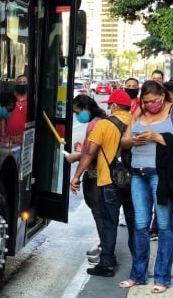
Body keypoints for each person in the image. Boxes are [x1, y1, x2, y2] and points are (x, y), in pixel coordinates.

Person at [118, 80, 173, 294]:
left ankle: (162, 277)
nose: (150, 104)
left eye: (154, 101)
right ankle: (137, 274)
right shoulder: (139, 113)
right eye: (146, 101)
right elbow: (122, 141)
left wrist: (157, 137)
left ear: (163, 96)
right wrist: (132, 141)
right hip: (138, 174)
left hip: (162, 175)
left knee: (164, 226)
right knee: (140, 225)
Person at [71, 89, 135, 278]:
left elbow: (90, 153)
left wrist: (76, 177)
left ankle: (106, 263)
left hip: (109, 180)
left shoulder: (104, 125)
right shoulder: (136, 122)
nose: (108, 107)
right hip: (134, 181)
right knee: (134, 223)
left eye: (110, 104)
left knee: (109, 223)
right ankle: (139, 264)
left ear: (114, 106)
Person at [65, 94, 107, 262]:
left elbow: (91, 153)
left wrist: (76, 166)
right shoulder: (100, 120)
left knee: (99, 214)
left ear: (86, 109)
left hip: (96, 174)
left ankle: (106, 252)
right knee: (100, 213)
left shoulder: (95, 124)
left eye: (77, 112)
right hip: (99, 173)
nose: (77, 116)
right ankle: (105, 247)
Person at [6, 74, 28, 142]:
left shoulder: (33, 102)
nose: (22, 84)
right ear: (16, 85)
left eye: (24, 82)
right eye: (20, 82)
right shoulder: (8, 99)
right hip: (8, 140)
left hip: (25, 140)